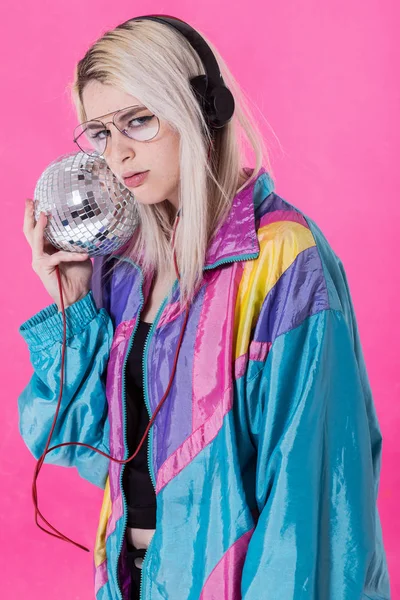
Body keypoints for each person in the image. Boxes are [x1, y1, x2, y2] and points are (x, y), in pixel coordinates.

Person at [18, 14, 390, 600]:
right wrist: (72, 311)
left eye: (138, 121)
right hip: (130, 580)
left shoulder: (283, 261)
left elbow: (307, 499)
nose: (117, 154)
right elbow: (80, 447)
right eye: (100, 134)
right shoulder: (123, 266)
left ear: (202, 110)